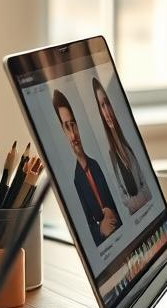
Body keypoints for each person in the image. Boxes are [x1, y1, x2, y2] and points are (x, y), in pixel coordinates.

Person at [52, 89, 122, 245]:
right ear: (62, 132)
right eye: (66, 128)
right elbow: (85, 228)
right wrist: (100, 230)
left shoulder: (96, 165)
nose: (73, 135)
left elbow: (117, 199)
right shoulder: (75, 180)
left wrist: (113, 212)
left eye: (73, 125)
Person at [92, 77, 153, 216]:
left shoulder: (128, 143)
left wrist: (141, 201)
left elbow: (145, 180)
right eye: (102, 105)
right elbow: (119, 191)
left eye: (107, 103)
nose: (107, 111)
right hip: (135, 215)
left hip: (148, 208)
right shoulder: (109, 155)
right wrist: (134, 204)